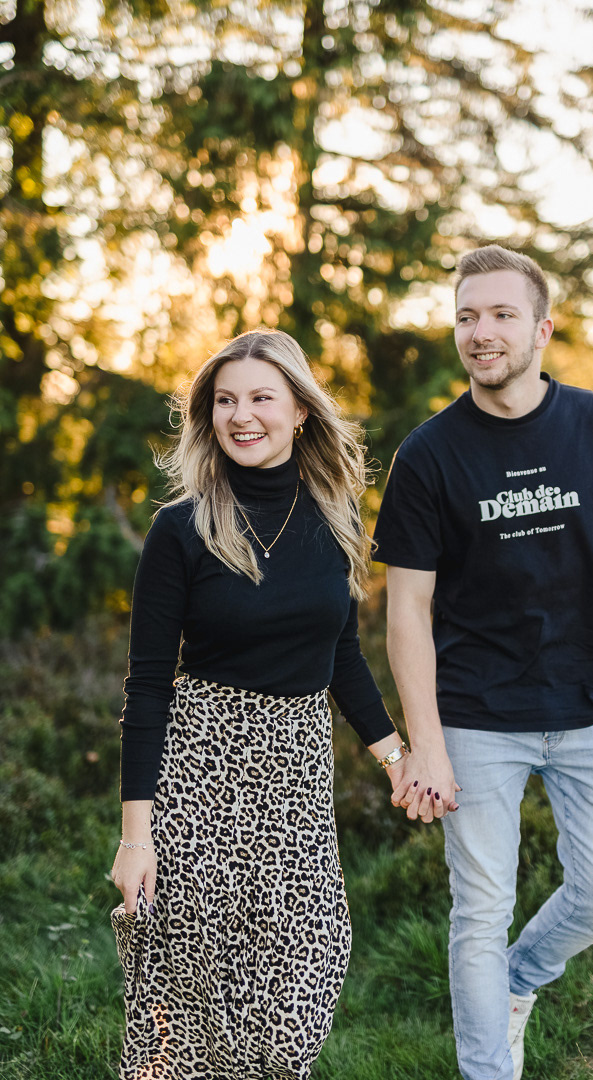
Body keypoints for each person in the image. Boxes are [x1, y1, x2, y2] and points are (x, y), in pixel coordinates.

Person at [372, 245, 593, 1080]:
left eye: (502, 314)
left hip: (591, 711)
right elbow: (407, 611)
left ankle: (518, 979)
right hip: (475, 718)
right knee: (479, 913)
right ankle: (488, 1070)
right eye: (467, 316)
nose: (482, 332)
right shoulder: (428, 454)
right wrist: (426, 743)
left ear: (542, 329)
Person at [110, 328, 410, 1080]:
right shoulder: (181, 529)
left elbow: (342, 655)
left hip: (297, 770)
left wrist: (396, 757)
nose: (241, 416)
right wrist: (136, 837)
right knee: (195, 974)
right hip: (202, 766)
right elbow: (148, 685)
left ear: (301, 410)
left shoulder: (336, 519)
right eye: (225, 401)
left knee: (307, 958)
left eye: (261, 398)